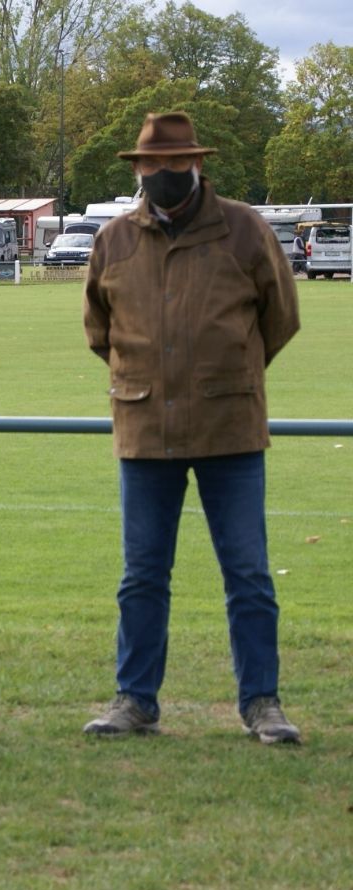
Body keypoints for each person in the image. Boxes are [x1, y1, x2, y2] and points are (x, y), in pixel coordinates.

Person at [82, 112, 301, 744]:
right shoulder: (114, 240)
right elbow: (100, 331)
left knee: (249, 574)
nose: (163, 175)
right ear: (138, 170)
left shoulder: (244, 229)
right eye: (152, 166)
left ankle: (263, 702)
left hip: (230, 429)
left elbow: (279, 318)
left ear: (197, 165)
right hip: (145, 431)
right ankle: (135, 700)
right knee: (142, 575)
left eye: (175, 165)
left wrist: (228, 376)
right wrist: (149, 379)